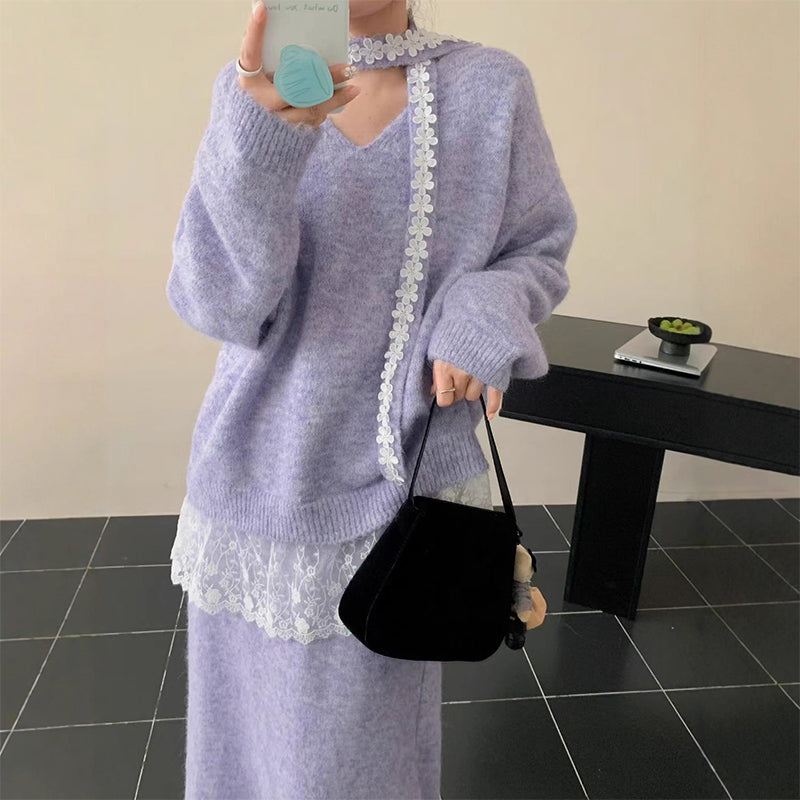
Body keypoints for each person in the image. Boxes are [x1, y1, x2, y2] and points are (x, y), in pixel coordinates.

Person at [166, 0, 576, 796]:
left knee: (361, 768)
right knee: (240, 759)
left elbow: (538, 248)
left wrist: (481, 309)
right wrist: (263, 141)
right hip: (256, 485)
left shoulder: (491, 88)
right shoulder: (252, 93)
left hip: (400, 504)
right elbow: (216, 305)